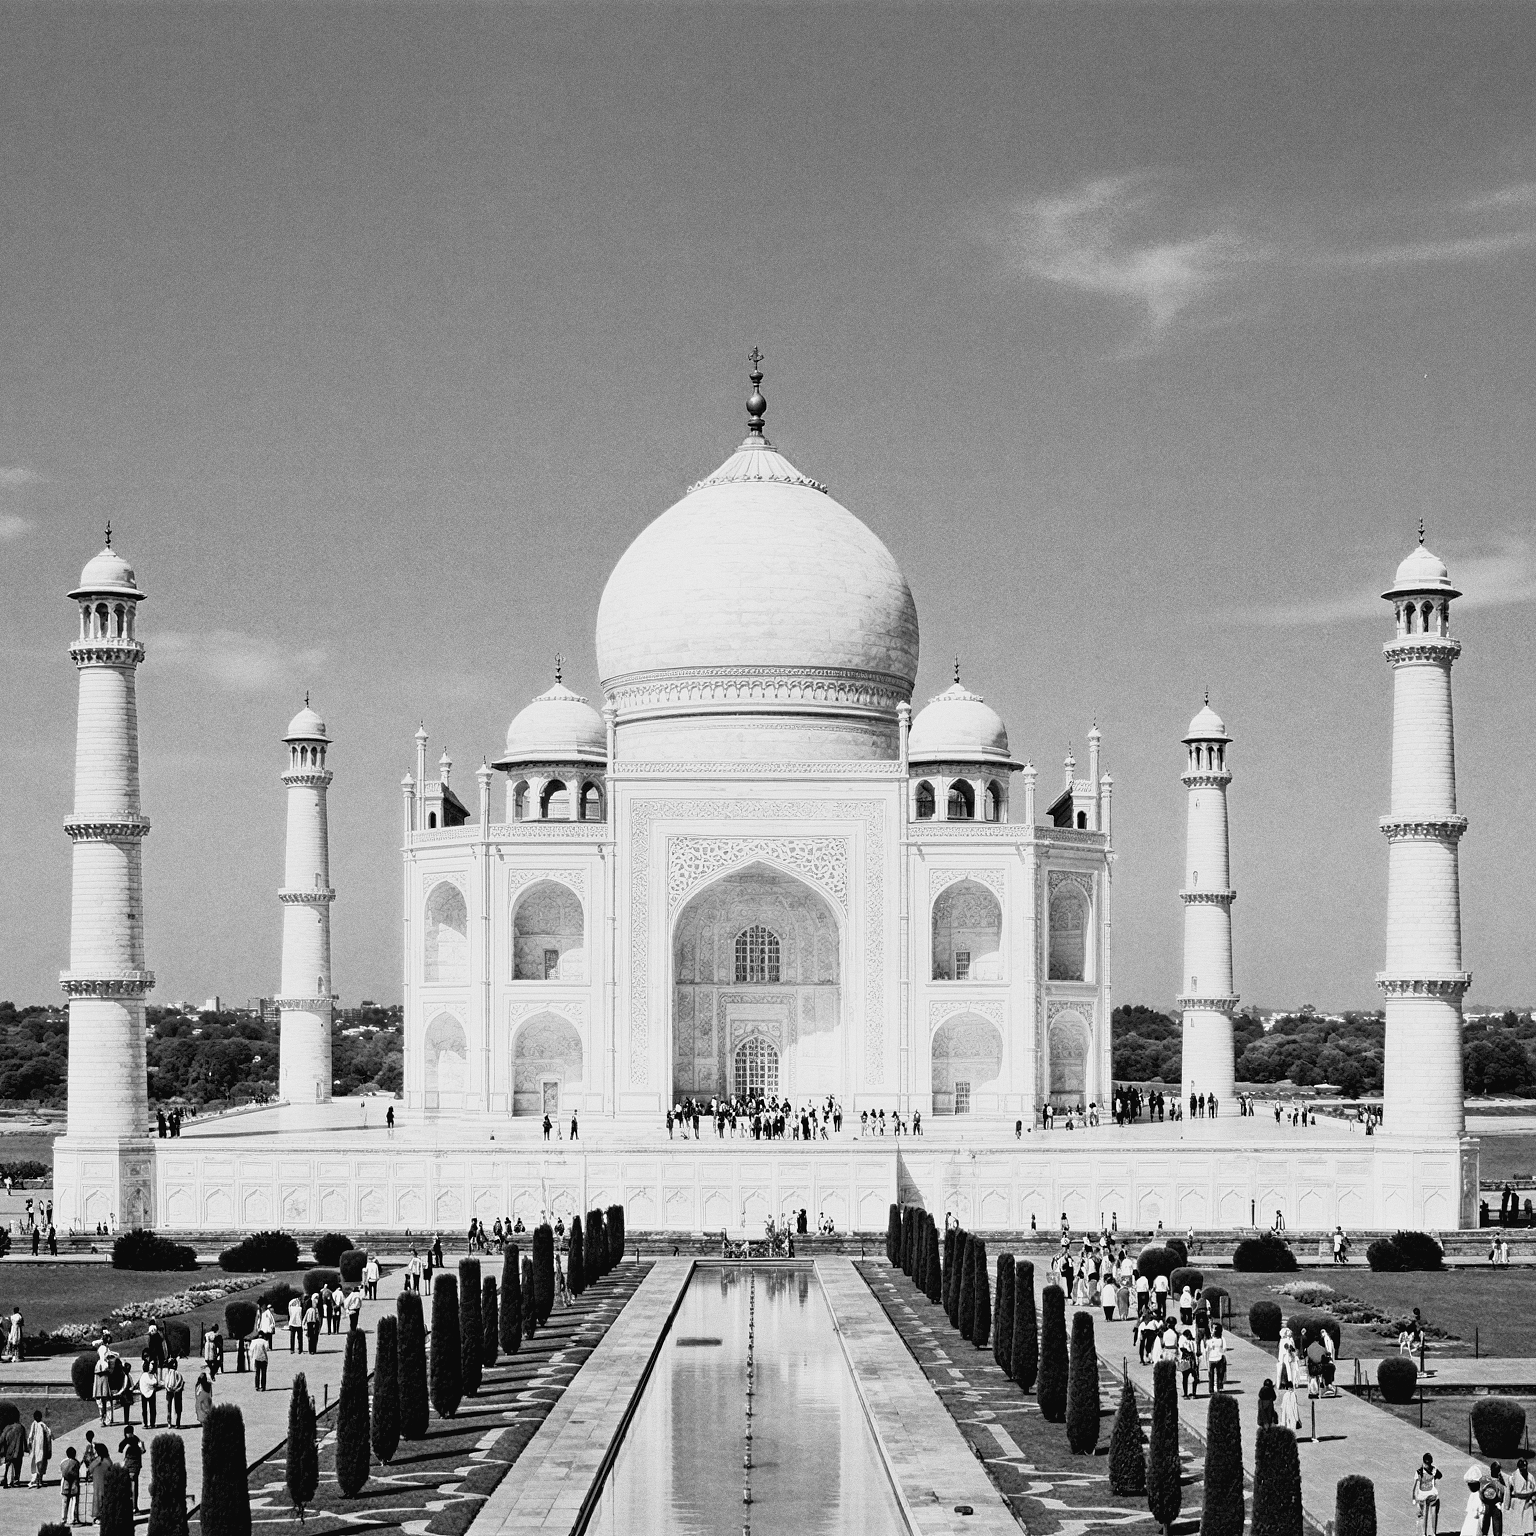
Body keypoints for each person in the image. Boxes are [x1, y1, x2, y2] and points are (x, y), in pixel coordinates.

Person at [1414, 1454, 1445, 1536]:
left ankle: (1433, 1533)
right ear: (1423, 1463)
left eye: (1429, 1464)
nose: (1427, 1466)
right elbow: (1415, 1485)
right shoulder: (1419, 1472)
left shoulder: (1433, 1470)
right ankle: (1424, 1533)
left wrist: (1435, 1473)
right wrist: (1414, 1497)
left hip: (1432, 1495)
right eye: (1426, 1464)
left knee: (1434, 1514)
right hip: (1422, 1496)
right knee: (1424, 1516)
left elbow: (1440, 1475)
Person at [118, 1424, 144, 1510]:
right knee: (134, 1486)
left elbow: (122, 1451)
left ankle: (131, 1506)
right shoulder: (137, 1440)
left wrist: (123, 1461)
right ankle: (134, 1506)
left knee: (128, 1486)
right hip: (136, 1465)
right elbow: (142, 1451)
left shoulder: (126, 1442)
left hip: (130, 1465)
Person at [26, 1409, 52, 1488]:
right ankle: (38, 1479)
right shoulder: (42, 1425)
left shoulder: (38, 1425)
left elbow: (30, 1437)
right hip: (40, 1449)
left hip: (38, 1449)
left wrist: (29, 1445)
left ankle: (37, 1479)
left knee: (37, 1464)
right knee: (40, 1463)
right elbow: (49, 1435)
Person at [1510, 1460, 1535, 1536]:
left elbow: (1535, 1492)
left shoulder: (1530, 1477)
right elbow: (1510, 1491)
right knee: (1517, 1529)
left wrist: (1531, 1501)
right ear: (1519, 1467)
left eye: (1525, 1467)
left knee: (1529, 1528)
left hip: (1528, 1502)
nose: (1524, 1469)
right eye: (1522, 1468)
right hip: (1517, 1501)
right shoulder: (1514, 1476)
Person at [59, 1443, 81, 1526]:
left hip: (65, 1484)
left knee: (65, 1502)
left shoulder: (63, 1462)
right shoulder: (76, 1463)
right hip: (74, 1484)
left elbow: (61, 1472)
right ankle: (73, 1518)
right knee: (74, 1502)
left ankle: (63, 1518)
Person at [1204, 1323, 1228, 1393]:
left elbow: (1206, 1349)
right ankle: (1216, 1389)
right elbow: (1224, 1349)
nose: (1212, 1330)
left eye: (1214, 1328)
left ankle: (1214, 1389)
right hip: (1216, 1358)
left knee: (1214, 1375)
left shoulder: (1213, 1339)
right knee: (1218, 1374)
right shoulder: (1221, 1338)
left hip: (1214, 1358)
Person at [163, 1357, 185, 1427]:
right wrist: (167, 1387)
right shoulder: (168, 1374)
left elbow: (181, 1382)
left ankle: (177, 1423)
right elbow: (166, 1382)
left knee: (178, 1407)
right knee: (168, 1406)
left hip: (177, 1392)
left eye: (175, 1364)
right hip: (169, 1391)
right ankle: (169, 1422)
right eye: (173, 1364)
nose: (174, 1366)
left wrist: (177, 1388)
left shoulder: (178, 1374)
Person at [137, 1361, 159, 1428]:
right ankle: (152, 1423)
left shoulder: (142, 1376)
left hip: (144, 1393)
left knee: (145, 1409)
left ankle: (146, 1423)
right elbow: (154, 1382)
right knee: (152, 1409)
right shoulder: (146, 1375)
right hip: (150, 1392)